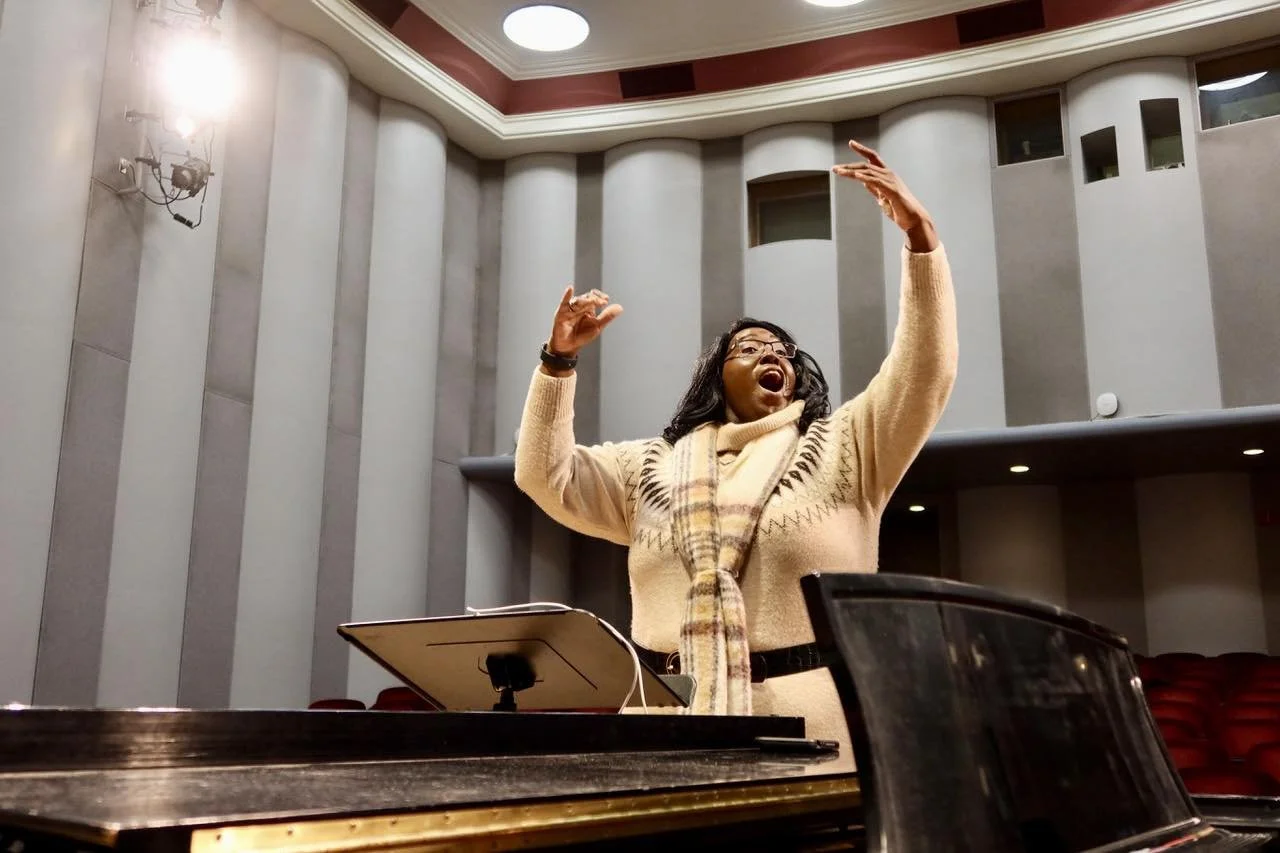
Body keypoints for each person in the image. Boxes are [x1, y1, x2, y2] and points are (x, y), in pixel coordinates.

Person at [513, 140, 958, 759]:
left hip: (807, 719)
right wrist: (557, 362)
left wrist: (922, 239)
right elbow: (543, 475)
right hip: (661, 715)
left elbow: (924, 370)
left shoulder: (848, 447)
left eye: (783, 352)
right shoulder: (650, 467)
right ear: (715, 378)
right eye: (749, 348)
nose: (772, 354)